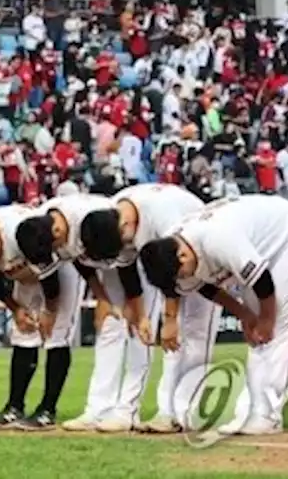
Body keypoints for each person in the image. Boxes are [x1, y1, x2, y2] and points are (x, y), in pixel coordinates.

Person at [139, 194, 288, 436]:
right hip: (253, 244)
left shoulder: (217, 239)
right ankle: (249, 413)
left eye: (179, 275)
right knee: (256, 335)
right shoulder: (172, 247)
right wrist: (244, 314)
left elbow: (262, 281)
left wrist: (266, 319)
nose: (181, 282)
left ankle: (266, 415)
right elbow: (205, 286)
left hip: (285, 235)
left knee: (277, 327)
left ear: (183, 256)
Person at [78, 183, 222, 433]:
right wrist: (140, 314)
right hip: (168, 262)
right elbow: (127, 268)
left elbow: (173, 269)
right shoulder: (116, 216)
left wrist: (169, 319)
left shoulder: (164, 216)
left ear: (125, 226)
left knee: (193, 334)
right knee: (147, 333)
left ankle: (181, 412)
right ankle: (140, 412)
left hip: (204, 256)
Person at [15, 192, 154, 433]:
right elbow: (80, 261)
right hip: (107, 261)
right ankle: (98, 409)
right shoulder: (47, 223)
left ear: (58, 233)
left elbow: (126, 264)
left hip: (135, 254)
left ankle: (127, 411)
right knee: (109, 326)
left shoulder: (94, 221)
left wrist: (136, 308)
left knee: (137, 329)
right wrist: (101, 296)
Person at [0, 204, 76, 432]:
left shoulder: (21, 233)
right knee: (23, 333)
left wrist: (50, 311)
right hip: (24, 273)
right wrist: (15, 309)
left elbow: (49, 276)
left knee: (55, 334)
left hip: (57, 265)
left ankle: (47, 410)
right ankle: (14, 407)